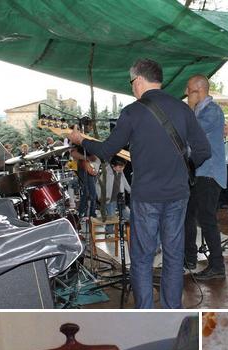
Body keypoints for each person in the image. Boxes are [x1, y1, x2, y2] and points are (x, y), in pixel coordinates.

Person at [68, 58, 211, 309]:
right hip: (178, 195)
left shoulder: (132, 112)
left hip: (146, 198)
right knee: (174, 256)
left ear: (140, 80)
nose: (132, 87)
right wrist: (184, 168)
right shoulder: (183, 109)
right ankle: (171, 311)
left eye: (131, 82)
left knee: (143, 259)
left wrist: (81, 140)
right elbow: (203, 150)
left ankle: (145, 311)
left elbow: (106, 150)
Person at [183, 74, 227, 281]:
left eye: (189, 90)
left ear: (199, 91)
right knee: (187, 215)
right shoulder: (200, 110)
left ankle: (217, 265)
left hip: (209, 174)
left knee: (207, 220)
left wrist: (190, 108)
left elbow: (192, 132)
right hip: (197, 173)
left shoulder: (212, 111)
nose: (186, 93)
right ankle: (190, 258)